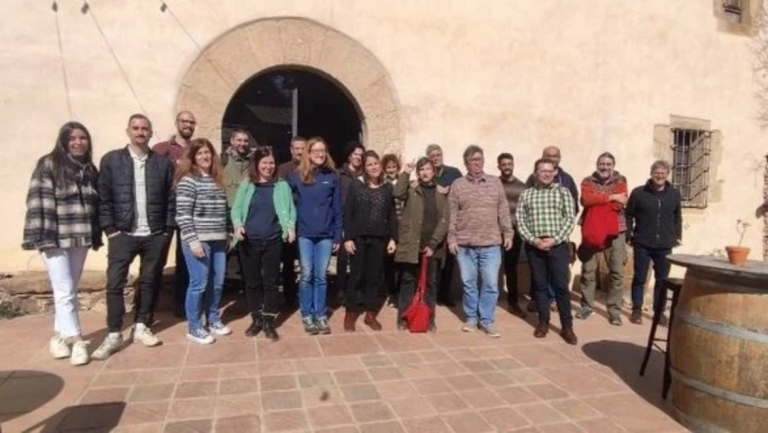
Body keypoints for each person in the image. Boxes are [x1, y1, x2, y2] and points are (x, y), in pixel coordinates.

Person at [92, 114, 175, 360]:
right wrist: (110, 230)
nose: (140, 132)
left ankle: (141, 325)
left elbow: (171, 199)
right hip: (123, 233)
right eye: (136, 128)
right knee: (115, 283)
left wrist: (167, 230)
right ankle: (115, 332)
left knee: (150, 281)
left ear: (151, 133)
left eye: (145, 129)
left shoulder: (162, 163)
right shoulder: (112, 161)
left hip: (154, 233)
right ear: (128, 131)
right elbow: (103, 198)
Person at [22, 122, 102, 366]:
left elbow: (94, 206)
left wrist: (96, 235)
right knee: (64, 288)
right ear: (63, 141)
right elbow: (38, 202)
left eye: (83, 138)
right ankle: (77, 340)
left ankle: (59, 338)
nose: (78, 142)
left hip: (80, 237)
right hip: (54, 238)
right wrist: (43, 237)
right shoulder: (49, 165)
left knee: (69, 288)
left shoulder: (89, 169)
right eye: (73, 138)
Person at [448, 145, 513, 338]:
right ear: (466, 163)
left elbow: (503, 209)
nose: (477, 163)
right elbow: (451, 213)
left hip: (491, 243)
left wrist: (508, 233)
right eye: (473, 160)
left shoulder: (495, 183)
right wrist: (451, 238)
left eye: (480, 159)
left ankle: (486, 320)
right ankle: (471, 317)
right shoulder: (458, 184)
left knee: (491, 284)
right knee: (469, 283)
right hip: (465, 244)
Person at [231, 147, 296, 341]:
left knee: (271, 282)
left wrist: (290, 227)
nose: (268, 166)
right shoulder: (247, 184)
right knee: (252, 283)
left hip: (273, 240)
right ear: (256, 164)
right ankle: (256, 318)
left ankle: (268, 320)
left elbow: (291, 210)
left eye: (271, 163)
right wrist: (237, 226)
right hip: (249, 241)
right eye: (264, 163)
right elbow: (236, 209)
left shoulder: (281, 186)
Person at [175, 138, 231, 344]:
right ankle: (194, 326)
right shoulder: (188, 180)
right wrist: (193, 242)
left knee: (217, 284)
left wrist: (227, 234)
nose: (205, 157)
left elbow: (223, 211)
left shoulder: (217, 180)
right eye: (199, 154)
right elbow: (183, 215)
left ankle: (213, 318)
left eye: (207, 152)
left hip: (218, 240)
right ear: (192, 157)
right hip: (199, 241)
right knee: (198, 284)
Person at [517, 158, 577, 345]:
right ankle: (543, 322)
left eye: (550, 170)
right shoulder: (527, 194)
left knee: (560, 287)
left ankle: (567, 327)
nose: (546, 173)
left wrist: (555, 240)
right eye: (542, 170)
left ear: (555, 172)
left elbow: (569, 218)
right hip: (535, 247)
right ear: (536, 173)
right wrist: (534, 240)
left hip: (557, 246)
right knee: (540, 287)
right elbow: (521, 221)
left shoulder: (563, 192)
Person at [287, 137, 343, 335]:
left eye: (323, 150)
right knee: (306, 275)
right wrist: (288, 224)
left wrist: (337, 236)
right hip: (305, 234)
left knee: (321, 277)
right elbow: (283, 198)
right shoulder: (297, 176)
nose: (320, 154)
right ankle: (307, 314)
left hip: (326, 235)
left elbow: (337, 208)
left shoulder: (332, 176)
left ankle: (320, 314)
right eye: (316, 150)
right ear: (308, 154)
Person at [343, 151, 398, 331]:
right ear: (364, 168)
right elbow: (348, 213)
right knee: (357, 276)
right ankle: (350, 313)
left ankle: (370, 314)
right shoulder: (356, 185)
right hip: (358, 238)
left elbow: (391, 215)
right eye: (369, 164)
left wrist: (392, 238)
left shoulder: (387, 188)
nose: (373, 167)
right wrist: (348, 238)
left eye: (376, 163)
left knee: (374, 277)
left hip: (379, 239)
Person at [394, 157, 448, 332]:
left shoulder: (440, 193)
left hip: (432, 247)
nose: (425, 172)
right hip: (412, 245)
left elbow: (444, 220)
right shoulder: (411, 188)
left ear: (434, 171)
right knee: (408, 281)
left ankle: (429, 319)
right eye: (422, 169)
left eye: (428, 169)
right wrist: (405, 172)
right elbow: (397, 193)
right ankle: (403, 318)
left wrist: (433, 244)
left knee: (431, 283)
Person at [625, 160, 682, 324]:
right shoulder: (638, 193)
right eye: (657, 172)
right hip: (642, 242)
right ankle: (636, 310)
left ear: (667, 174)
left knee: (662, 279)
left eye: (663, 172)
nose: (660, 175)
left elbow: (677, 217)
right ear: (651, 174)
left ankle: (659, 312)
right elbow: (628, 215)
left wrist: (677, 236)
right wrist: (629, 234)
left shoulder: (674, 194)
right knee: (640, 278)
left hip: (664, 245)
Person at [575, 152, 628, 326]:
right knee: (589, 271)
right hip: (592, 230)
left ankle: (614, 311)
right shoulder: (587, 181)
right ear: (597, 164)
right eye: (602, 164)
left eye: (608, 164)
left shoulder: (621, 180)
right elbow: (586, 200)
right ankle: (587, 306)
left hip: (616, 232)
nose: (605, 167)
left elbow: (620, 204)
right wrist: (611, 196)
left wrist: (601, 201)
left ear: (613, 165)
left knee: (616, 273)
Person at [524, 146, 579, 312]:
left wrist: (560, 231)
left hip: (558, 235)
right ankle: (538, 300)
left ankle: (554, 299)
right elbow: (526, 205)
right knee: (538, 273)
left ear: (559, 158)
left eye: (555, 156)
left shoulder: (567, 179)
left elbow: (573, 206)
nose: (552, 158)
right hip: (536, 236)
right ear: (542, 157)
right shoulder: (532, 178)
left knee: (557, 274)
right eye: (548, 155)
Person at [153, 111, 197, 318]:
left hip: (189, 211)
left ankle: (182, 308)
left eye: (191, 122)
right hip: (166, 211)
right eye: (184, 121)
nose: (188, 125)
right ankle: (147, 311)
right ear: (177, 123)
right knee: (156, 259)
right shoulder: (162, 149)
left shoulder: (197, 149)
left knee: (185, 261)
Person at [426, 144, 463, 307]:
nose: (436, 157)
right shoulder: (427, 174)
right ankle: (431, 295)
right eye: (432, 155)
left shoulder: (454, 173)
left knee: (449, 261)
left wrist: (450, 191)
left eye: (438, 154)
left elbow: (463, 189)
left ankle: (445, 294)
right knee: (433, 260)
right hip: (433, 223)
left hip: (453, 222)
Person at [333, 141, 365, 307]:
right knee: (343, 258)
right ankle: (341, 290)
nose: (358, 157)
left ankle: (356, 290)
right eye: (355, 154)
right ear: (349, 156)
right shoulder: (340, 174)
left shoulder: (364, 175)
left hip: (360, 221)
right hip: (344, 219)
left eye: (361, 155)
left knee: (358, 258)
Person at [277, 136, 307, 307]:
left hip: (305, 222)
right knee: (288, 262)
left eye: (303, 148)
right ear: (291, 150)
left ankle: (304, 296)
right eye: (296, 148)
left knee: (305, 263)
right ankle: (289, 297)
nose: (299, 151)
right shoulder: (283, 170)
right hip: (288, 223)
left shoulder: (311, 169)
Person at [497, 153, 527, 318]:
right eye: (504, 164)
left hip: (515, 233)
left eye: (509, 163)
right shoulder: (493, 185)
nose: (507, 166)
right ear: (499, 166)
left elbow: (524, 211)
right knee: (490, 267)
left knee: (511, 268)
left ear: (513, 164)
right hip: (494, 232)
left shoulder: (522, 187)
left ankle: (513, 302)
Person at [382, 153, 404, 308]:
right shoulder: (383, 184)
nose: (391, 170)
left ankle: (401, 293)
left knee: (402, 264)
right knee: (389, 263)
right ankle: (391, 294)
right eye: (388, 167)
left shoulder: (405, 182)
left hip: (403, 227)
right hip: (389, 227)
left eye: (393, 167)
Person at [223, 129, 253, 206]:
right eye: (239, 140)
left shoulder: (254, 160)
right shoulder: (223, 158)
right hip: (229, 208)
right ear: (232, 141)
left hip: (248, 208)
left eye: (245, 141)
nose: (242, 144)